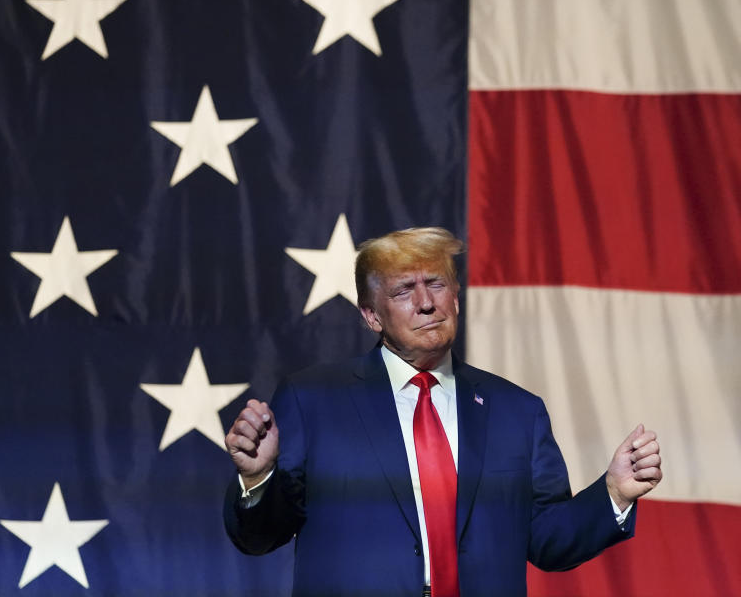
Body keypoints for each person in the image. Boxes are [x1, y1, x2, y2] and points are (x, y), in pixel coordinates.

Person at [223, 227, 661, 597]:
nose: (426, 303)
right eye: (403, 291)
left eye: (435, 284)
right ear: (372, 316)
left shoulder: (517, 412)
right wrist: (258, 480)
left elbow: (548, 541)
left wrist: (614, 494)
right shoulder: (313, 400)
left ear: (456, 297)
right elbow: (260, 538)